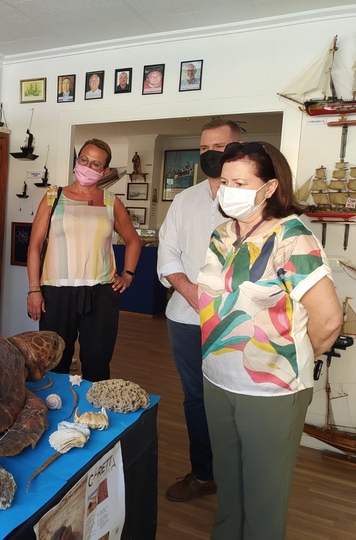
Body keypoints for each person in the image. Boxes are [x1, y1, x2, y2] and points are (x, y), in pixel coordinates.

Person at [198, 141, 342, 539]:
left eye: (240, 182)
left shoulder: (293, 238)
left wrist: (293, 357)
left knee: (264, 496)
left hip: (272, 389)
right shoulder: (222, 234)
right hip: (217, 377)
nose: (227, 189)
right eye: (224, 181)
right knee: (228, 485)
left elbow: (329, 320)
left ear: (270, 188)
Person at [157, 118, 240, 502]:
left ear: (238, 149)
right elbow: (168, 254)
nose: (210, 154)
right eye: (204, 148)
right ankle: (204, 472)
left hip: (236, 320)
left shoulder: (253, 200)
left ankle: (237, 473)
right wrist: (191, 293)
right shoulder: (184, 200)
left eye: (219, 147)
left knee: (234, 395)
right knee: (195, 397)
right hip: (186, 318)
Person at [26, 139, 141, 382]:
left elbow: (133, 240)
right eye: (84, 160)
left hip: (100, 293)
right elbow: (35, 246)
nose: (87, 167)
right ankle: (57, 413)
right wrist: (34, 289)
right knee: (54, 362)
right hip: (56, 293)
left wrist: (128, 275)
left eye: (95, 164)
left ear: (104, 171)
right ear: (77, 161)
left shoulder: (111, 202)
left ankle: (93, 415)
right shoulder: (52, 197)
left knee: (97, 363)